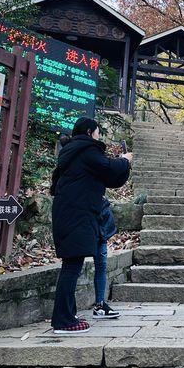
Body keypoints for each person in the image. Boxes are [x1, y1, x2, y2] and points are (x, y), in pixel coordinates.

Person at [50, 117, 132, 334]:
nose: (98, 137)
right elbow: (109, 167)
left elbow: (104, 175)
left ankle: (67, 315)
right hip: (77, 214)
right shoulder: (86, 150)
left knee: (71, 265)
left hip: (68, 213)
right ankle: (63, 321)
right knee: (72, 266)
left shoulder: (71, 153)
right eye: (97, 133)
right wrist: (124, 160)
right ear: (89, 132)